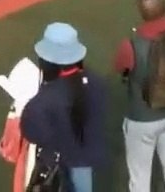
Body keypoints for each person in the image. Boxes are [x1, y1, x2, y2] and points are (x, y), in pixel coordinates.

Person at [21, 23, 109, 192]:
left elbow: (33, 133)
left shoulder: (45, 99)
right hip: (87, 156)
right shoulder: (97, 82)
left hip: (60, 164)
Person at [113, 0, 165, 192]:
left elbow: (120, 67)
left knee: (140, 175)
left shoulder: (131, 44)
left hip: (141, 118)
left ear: (143, 14)